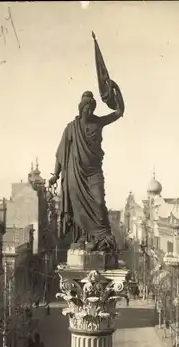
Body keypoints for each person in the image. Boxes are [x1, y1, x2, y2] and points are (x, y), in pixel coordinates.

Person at [48, 82, 124, 252]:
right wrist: (56, 174)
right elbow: (61, 153)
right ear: (80, 109)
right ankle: (85, 238)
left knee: (98, 202)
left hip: (93, 173)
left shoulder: (98, 123)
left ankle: (103, 238)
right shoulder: (71, 128)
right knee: (78, 208)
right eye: (86, 108)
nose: (89, 112)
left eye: (91, 109)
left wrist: (115, 89)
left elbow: (119, 112)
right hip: (76, 174)